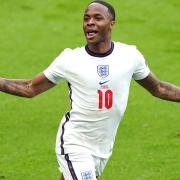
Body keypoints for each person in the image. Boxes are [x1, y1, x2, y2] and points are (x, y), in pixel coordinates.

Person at [0, 0, 180, 179]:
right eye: (86, 18)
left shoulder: (129, 56)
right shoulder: (70, 59)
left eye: (97, 18)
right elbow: (30, 88)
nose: (90, 22)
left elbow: (158, 87)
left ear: (112, 24)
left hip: (103, 147)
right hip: (75, 142)